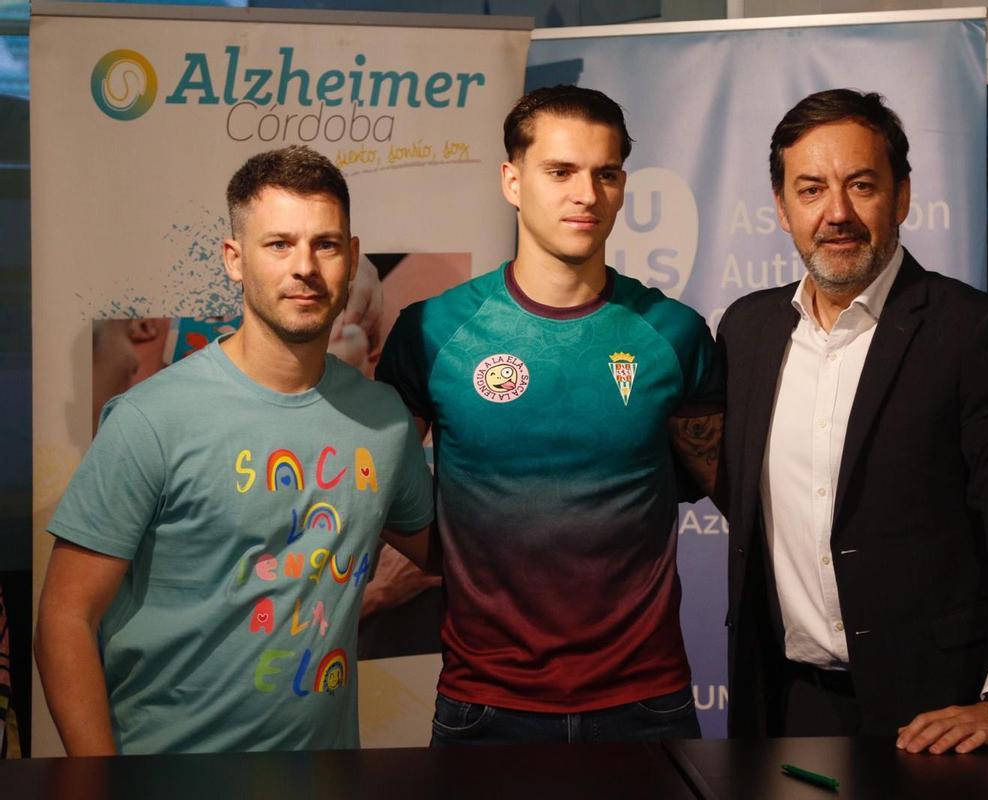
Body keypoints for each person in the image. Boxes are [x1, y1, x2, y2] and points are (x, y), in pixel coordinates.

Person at [35, 145, 434, 755]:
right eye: (278, 244)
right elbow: (65, 619)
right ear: (234, 260)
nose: (305, 266)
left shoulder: (381, 420)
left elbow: (443, 552)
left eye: (325, 244)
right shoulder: (150, 419)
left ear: (352, 260)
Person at [717, 89, 988, 753]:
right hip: (787, 707)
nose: (837, 213)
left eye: (861, 185)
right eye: (812, 189)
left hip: (940, 712)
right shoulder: (747, 331)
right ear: (782, 207)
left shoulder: (975, 333)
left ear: (902, 196)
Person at [377, 85, 724, 745]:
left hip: (646, 704)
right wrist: (459, 553)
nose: (586, 194)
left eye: (606, 174)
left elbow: (720, 484)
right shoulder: (433, 330)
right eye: (560, 171)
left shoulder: (673, 333)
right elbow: (379, 484)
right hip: (484, 705)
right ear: (512, 181)